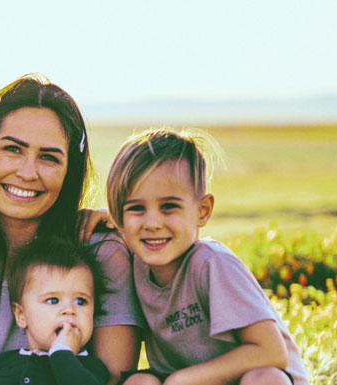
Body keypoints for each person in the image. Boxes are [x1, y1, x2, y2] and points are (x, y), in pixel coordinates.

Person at [0, 74, 144, 385]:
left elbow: (113, 379)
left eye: (49, 157)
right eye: (13, 149)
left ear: (68, 172)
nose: (28, 172)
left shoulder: (100, 252)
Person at [106, 128, 309, 385]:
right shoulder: (133, 261)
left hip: (245, 378)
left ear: (202, 211)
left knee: (265, 378)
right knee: (139, 383)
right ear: (119, 217)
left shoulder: (213, 264)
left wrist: (181, 379)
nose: (153, 223)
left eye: (169, 207)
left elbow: (272, 352)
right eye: (136, 208)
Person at [0, 236, 111, 385]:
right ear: (21, 315)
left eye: (81, 301)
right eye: (53, 300)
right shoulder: (3, 363)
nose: (69, 310)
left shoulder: (91, 368)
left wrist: (62, 353)